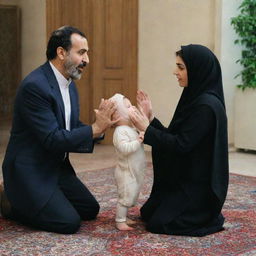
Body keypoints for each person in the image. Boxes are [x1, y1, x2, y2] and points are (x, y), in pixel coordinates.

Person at [0, 26, 118, 234]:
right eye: (81, 52)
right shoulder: (34, 86)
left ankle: (36, 200)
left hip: (55, 167)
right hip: (30, 170)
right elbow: (53, 139)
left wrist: (101, 127)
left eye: (87, 53)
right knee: (67, 223)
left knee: (90, 210)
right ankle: (9, 200)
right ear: (61, 53)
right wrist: (94, 128)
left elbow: (69, 128)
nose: (87, 60)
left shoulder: (69, 84)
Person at [129, 44, 229, 237]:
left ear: (197, 70)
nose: (175, 72)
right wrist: (150, 119)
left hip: (198, 186)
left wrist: (146, 129)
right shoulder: (196, 98)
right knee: (149, 213)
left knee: (159, 224)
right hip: (186, 176)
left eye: (181, 67)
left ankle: (207, 217)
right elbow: (177, 137)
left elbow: (180, 145)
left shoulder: (206, 107)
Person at [110, 93, 146, 231]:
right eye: (128, 106)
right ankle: (120, 221)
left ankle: (125, 216)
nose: (132, 107)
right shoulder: (120, 131)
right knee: (125, 195)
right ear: (118, 114)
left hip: (134, 169)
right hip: (125, 171)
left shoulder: (130, 128)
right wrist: (138, 141)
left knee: (132, 193)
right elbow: (125, 148)